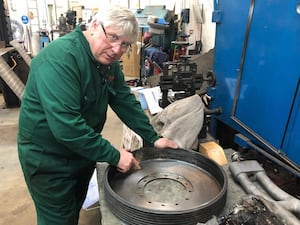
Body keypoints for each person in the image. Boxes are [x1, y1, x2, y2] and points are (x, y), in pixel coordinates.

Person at [17, 5, 178, 225]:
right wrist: (114, 155)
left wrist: (154, 138)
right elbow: (67, 127)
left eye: (124, 45)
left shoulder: (107, 62)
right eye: (112, 37)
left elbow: (123, 100)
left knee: (72, 210)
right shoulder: (60, 59)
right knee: (57, 219)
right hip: (49, 161)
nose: (116, 49)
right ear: (94, 26)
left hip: (82, 155)